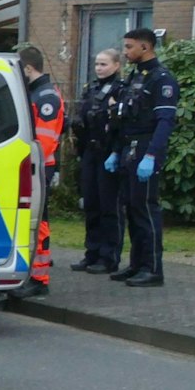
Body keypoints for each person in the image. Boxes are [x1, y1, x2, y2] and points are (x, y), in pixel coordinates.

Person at [105, 28, 180, 288]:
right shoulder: (135, 78)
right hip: (129, 147)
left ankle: (152, 269)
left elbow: (165, 122)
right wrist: (116, 150)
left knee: (146, 209)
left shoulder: (161, 80)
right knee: (131, 208)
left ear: (145, 47)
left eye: (129, 47)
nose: (125, 52)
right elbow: (123, 118)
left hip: (146, 147)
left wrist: (151, 155)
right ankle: (137, 264)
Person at [8, 45, 63, 300]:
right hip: (35, 165)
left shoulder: (46, 97)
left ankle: (40, 278)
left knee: (39, 223)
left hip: (39, 166)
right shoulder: (36, 93)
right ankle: (33, 274)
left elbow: (46, 140)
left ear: (28, 68)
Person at [68, 48, 124, 274]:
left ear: (116, 66)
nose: (99, 68)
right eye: (97, 64)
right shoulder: (90, 89)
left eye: (104, 64)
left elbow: (121, 124)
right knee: (91, 204)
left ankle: (108, 256)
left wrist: (116, 151)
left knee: (108, 206)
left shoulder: (120, 90)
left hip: (109, 152)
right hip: (90, 152)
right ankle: (91, 253)